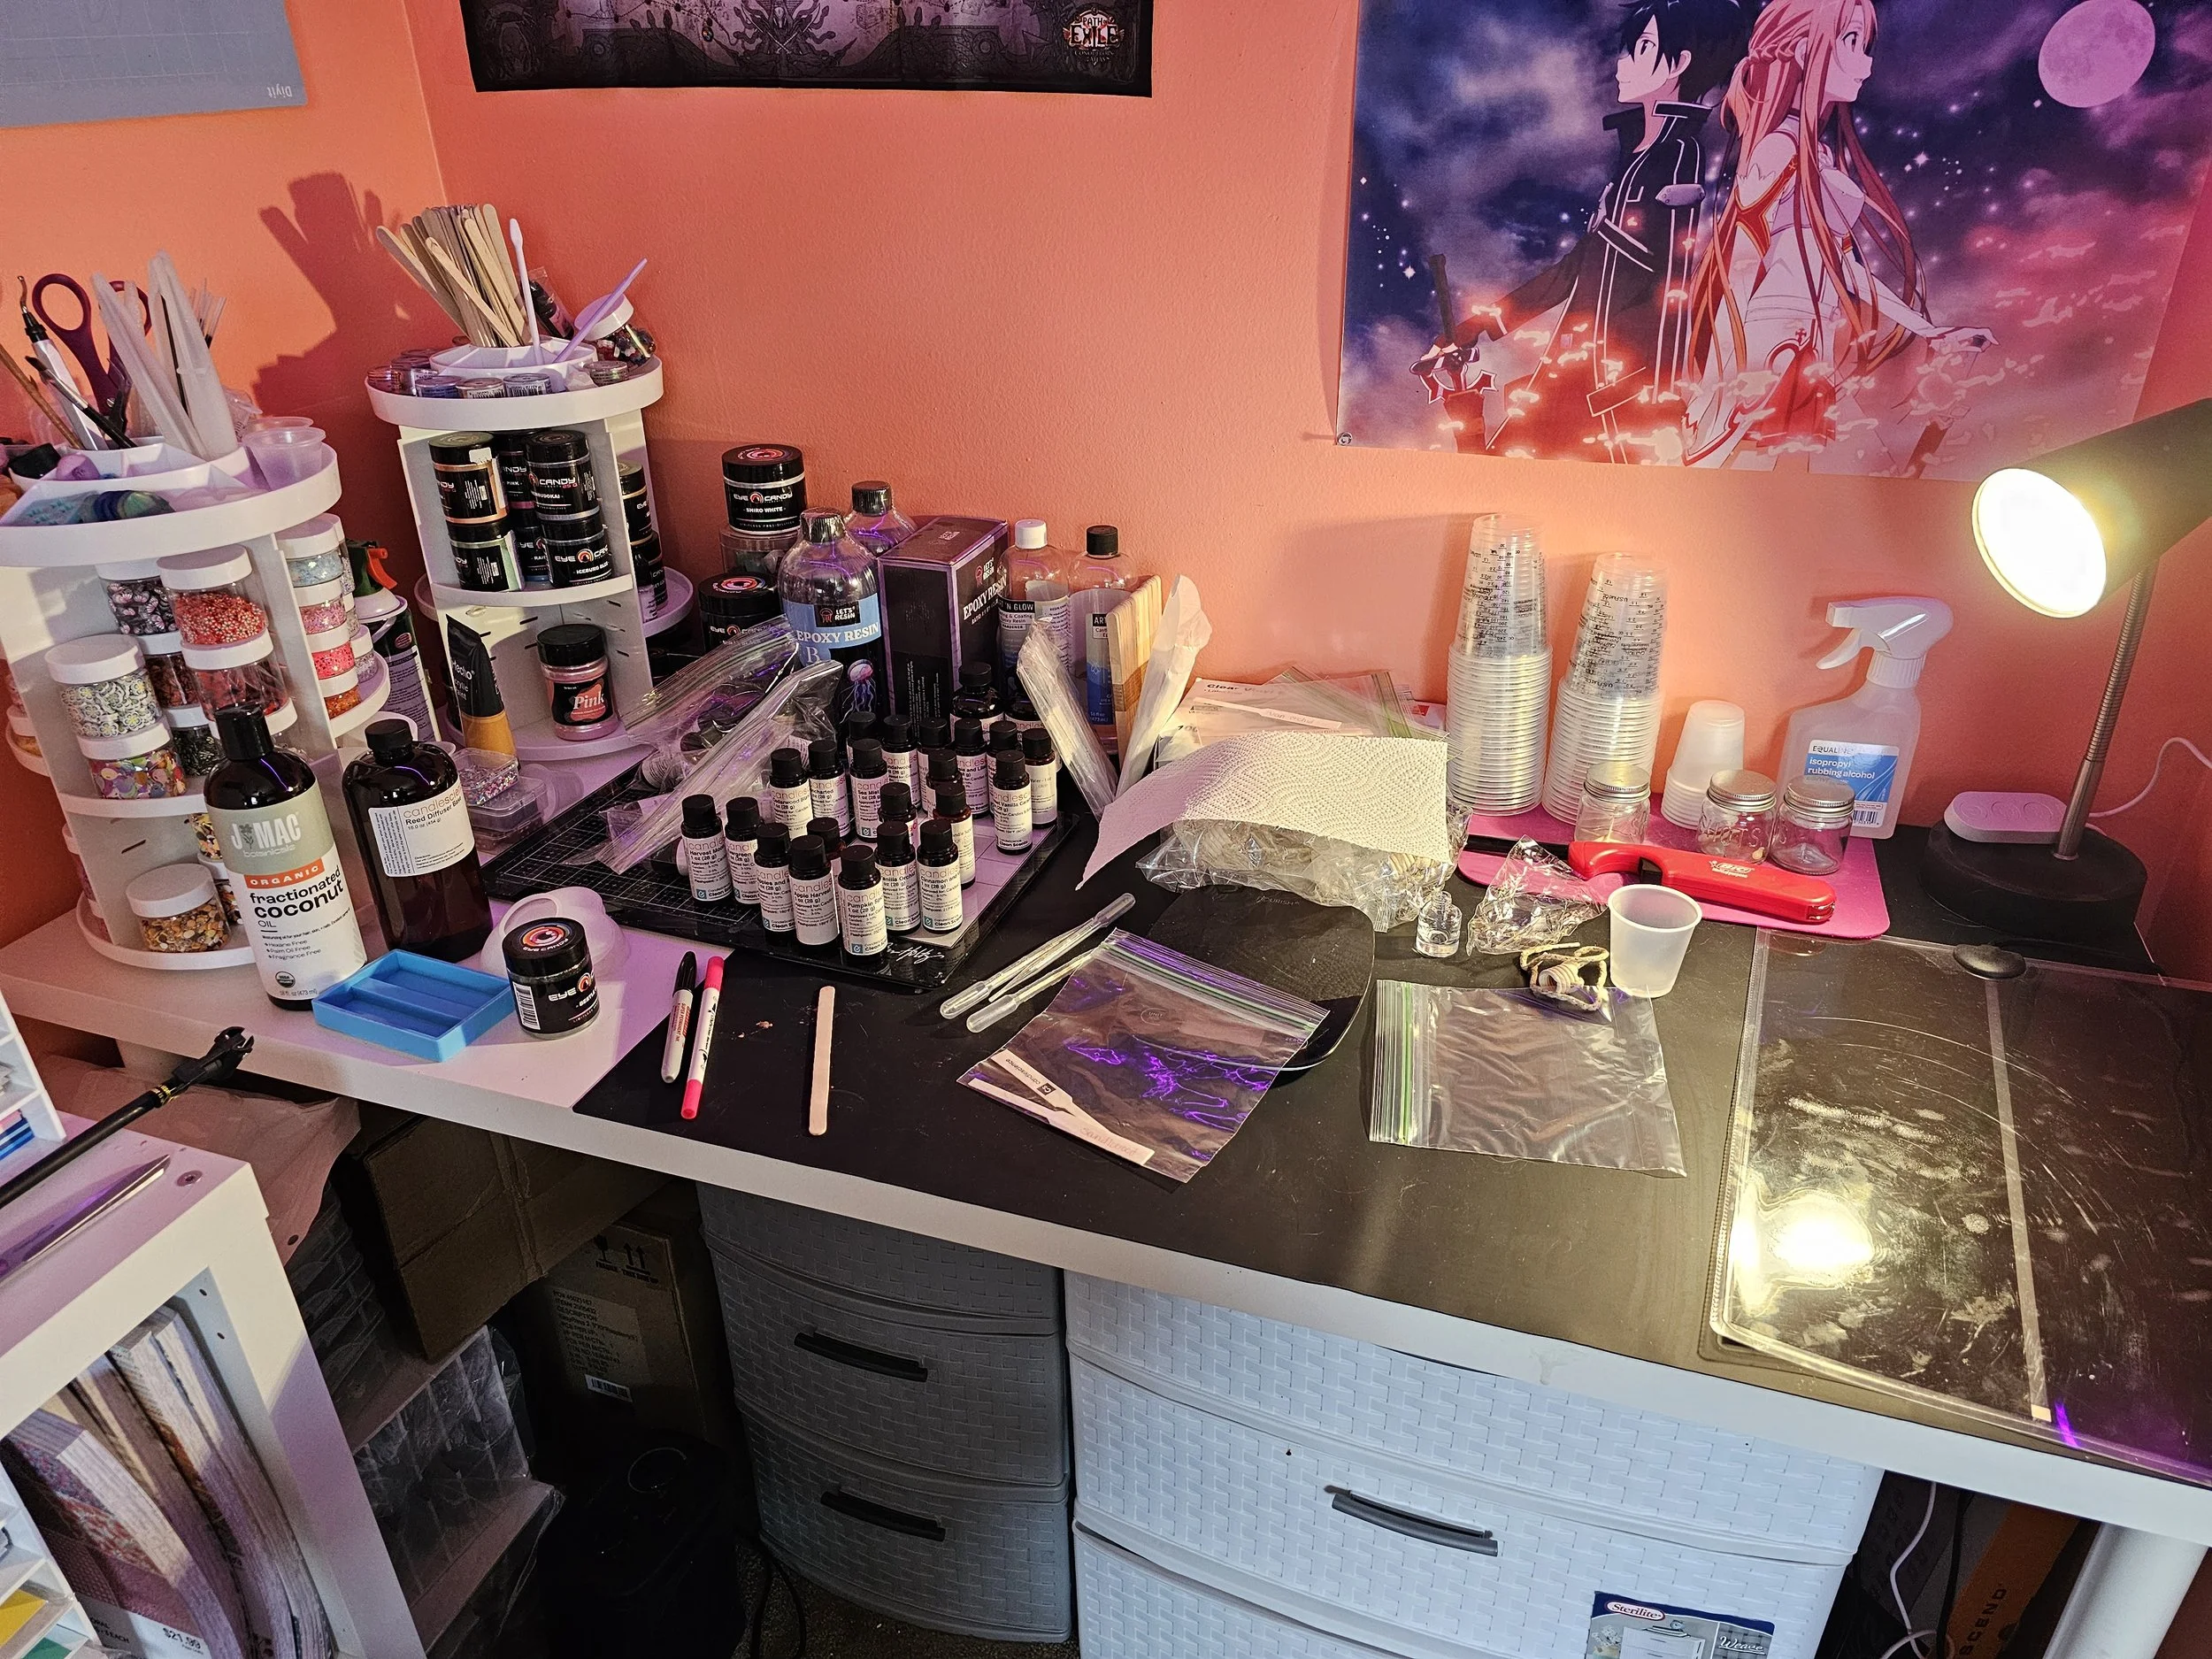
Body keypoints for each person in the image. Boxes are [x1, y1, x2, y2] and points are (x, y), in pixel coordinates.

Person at [1416, 0, 1752, 464]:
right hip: (1585, 367)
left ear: (1680, 63)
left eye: (1643, 48)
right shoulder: (1638, 157)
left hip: (1617, 382)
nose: (1623, 62)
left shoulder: (1678, 155)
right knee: (1497, 460)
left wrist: (1636, 385)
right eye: (1627, 49)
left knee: (1501, 460)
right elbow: (1582, 263)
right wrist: (1485, 324)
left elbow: (1665, 283)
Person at [1681, 0, 1994, 469]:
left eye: (1863, 45)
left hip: (1811, 340)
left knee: (1794, 481)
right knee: (1752, 478)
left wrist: (1927, 328)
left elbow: (1842, 268)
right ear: (1803, 48)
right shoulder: (1776, 150)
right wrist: (1720, 382)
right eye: (1850, 41)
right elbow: (1740, 267)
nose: (1865, 62)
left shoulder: (1818, 155)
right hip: (1769, 344)